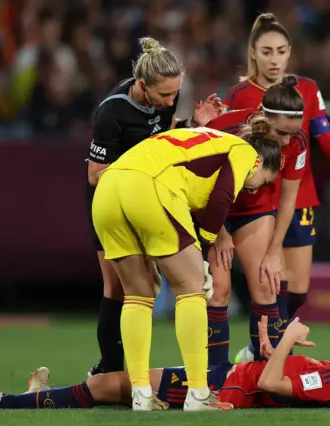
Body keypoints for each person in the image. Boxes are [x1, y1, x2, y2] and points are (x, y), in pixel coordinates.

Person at [92, 121, 282, 411]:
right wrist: (203, 252)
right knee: (192, 288)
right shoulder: (245, 151)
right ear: (259, 161)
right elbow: (221, 198)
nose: (257, 190)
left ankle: (141, 394)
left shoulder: (208, 141)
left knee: (138, 294)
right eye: (265, 181)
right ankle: (198, 394)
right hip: (148, 186)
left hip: (108, 188)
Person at [86, 36, 222, 377]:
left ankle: (130, 373)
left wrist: (195, 126)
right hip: (111, 204)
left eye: (176, 93)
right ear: (142, 85)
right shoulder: (111, 112)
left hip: (148, 200)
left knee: (147, 286)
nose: (171, 100)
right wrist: (138, 163)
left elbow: (166, 138)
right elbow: (94, 175)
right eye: (164, 94)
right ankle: (109, 369)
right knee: (117, 287)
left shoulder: (166, 103)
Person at [223, 14, 330, 362]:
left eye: (281, 51)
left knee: (297, 288)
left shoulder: (307, 89)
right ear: (253, 53)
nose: (274, 59)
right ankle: (265, 352)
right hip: (261, 198)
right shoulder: (239, 94)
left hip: (299, 195)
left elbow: (322, 134)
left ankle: (265, 346)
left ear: (289, 53)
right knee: (270, 278)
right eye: (266, 51)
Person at [0, 316, 330, 410]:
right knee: (110, 384)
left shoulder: (329, 383)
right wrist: (274, 345)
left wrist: (287, 339)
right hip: (223, 381)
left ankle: (2, 403)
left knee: (107, 386)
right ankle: (31, 394)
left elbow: (269, 381)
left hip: (216, 390)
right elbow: (276, 374)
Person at [205, 76, 307, 362]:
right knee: (219, 291)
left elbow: (288, 200)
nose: (287, 140)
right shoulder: (224, 129)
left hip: (256, 212)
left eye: (293, 133)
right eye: (281, 132)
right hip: (213, 211)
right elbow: (202, 190)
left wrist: (275, 252)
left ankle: (265, 371)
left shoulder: (297, 141)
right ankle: (214, 376)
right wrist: (221, 234)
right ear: (264, 117)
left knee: (265, 285)